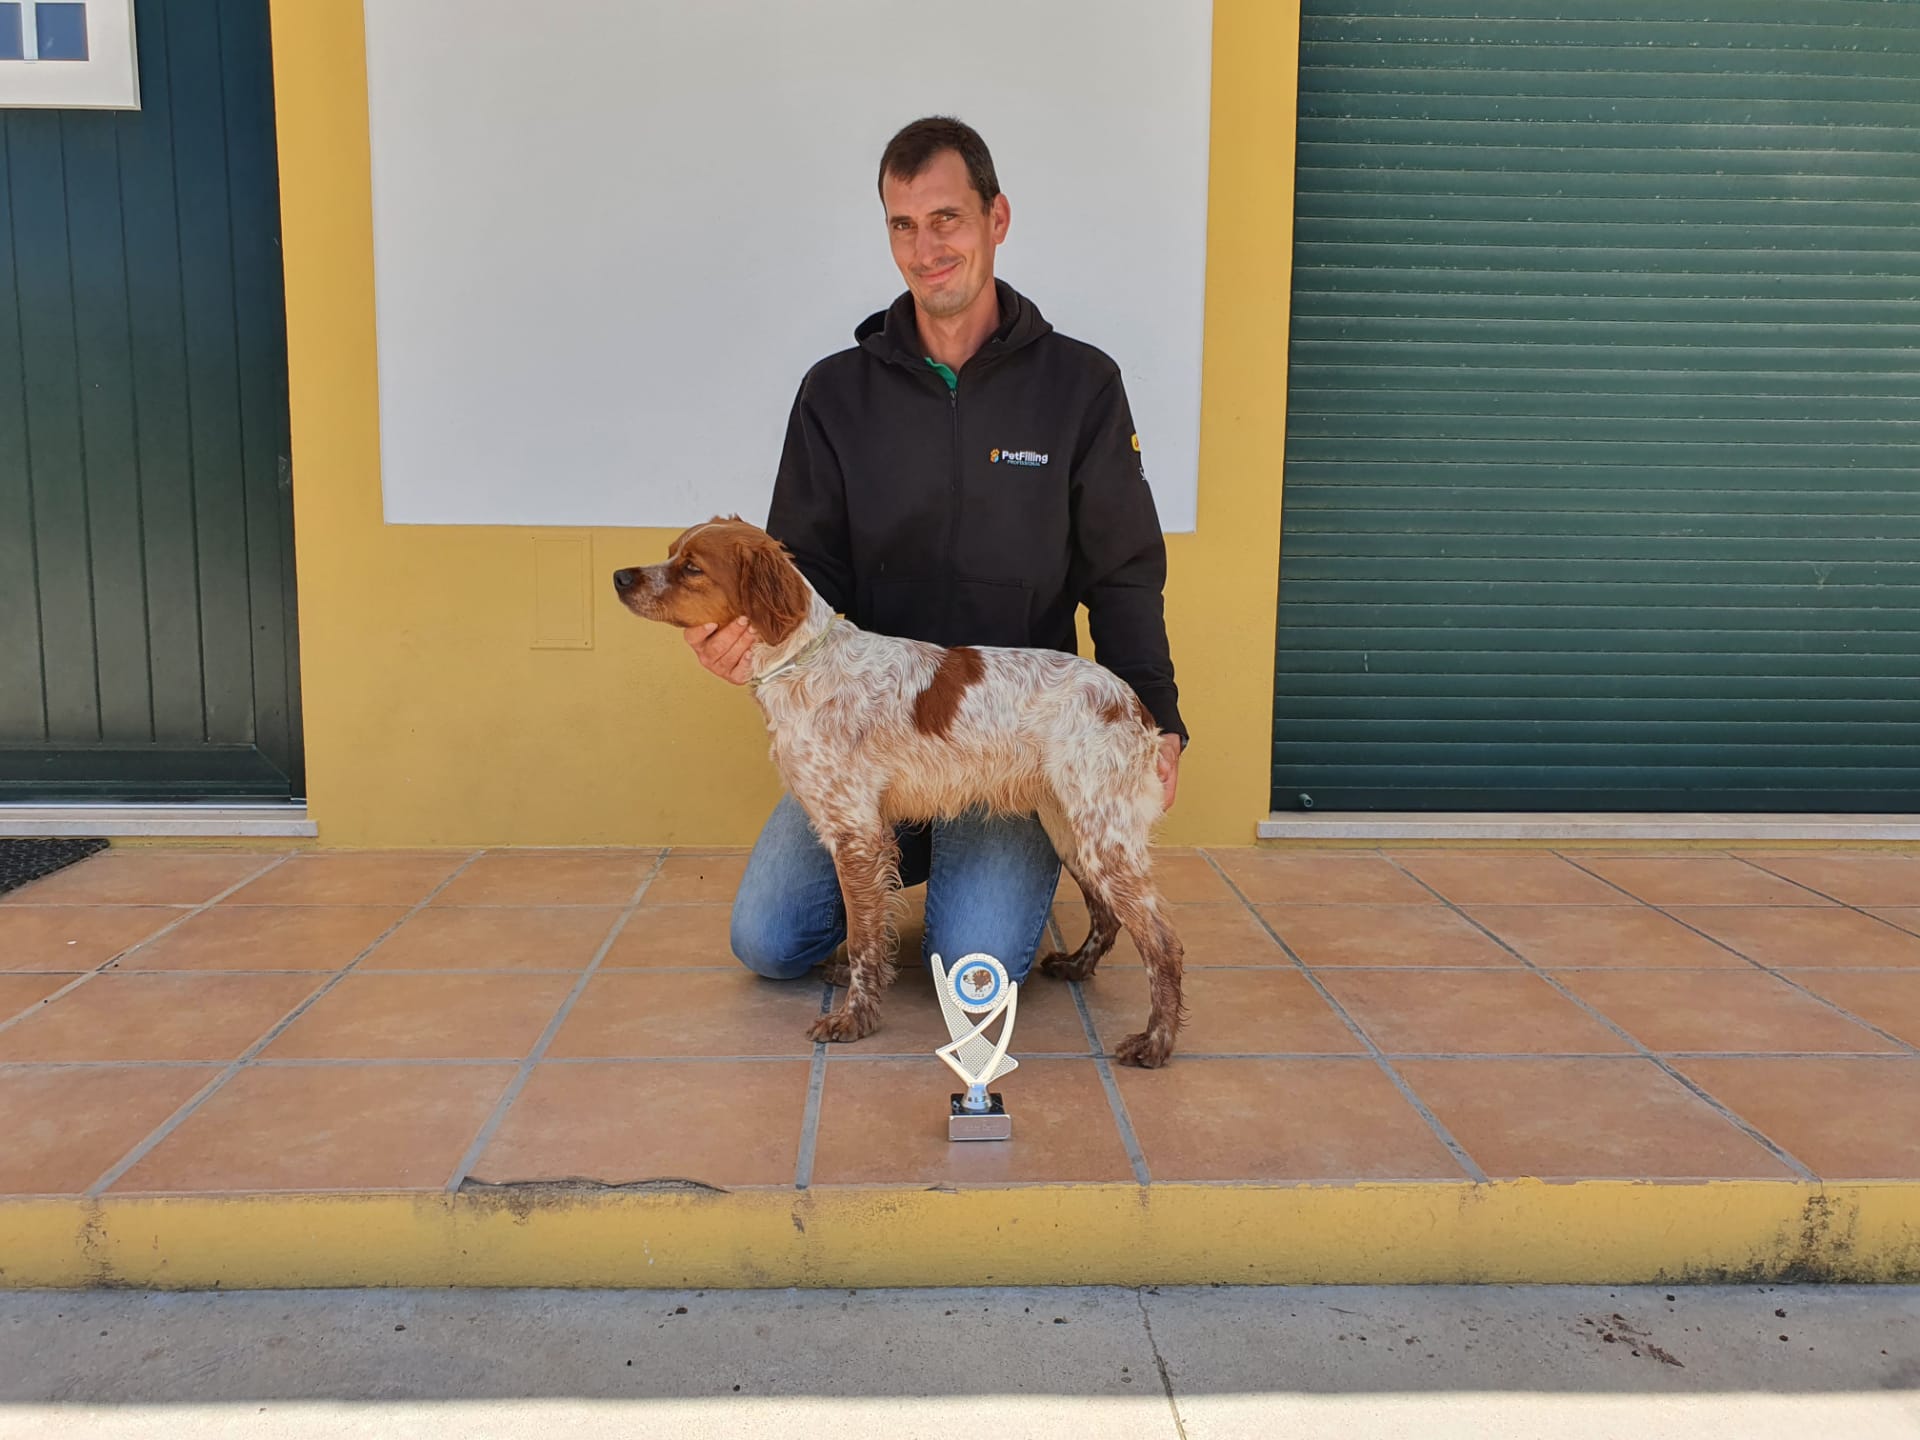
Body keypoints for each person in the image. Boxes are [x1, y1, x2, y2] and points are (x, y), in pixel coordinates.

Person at [686, 116, 1186, 989]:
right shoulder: (835, 392)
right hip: (870, 730)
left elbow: (1123, 570)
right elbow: (806, 577)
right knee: (768, 942)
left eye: (946, 218)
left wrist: (1161, 712)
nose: (926, 248)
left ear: (997, 218)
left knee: (975, 964)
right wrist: (742, 635)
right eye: (903, 225)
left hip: (1006, 740)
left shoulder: (1081, 385)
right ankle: (897, 851)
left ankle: (997, 868)